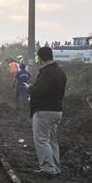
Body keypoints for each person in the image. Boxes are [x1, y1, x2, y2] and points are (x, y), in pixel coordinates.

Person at [28, 46, 67, 176]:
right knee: (52, 140)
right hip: (57, 110)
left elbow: (40, 91)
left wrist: (30, 89)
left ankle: (48, 169)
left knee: (42, 140)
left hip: (44, 111)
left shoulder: (46, 73)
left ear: (40, 58)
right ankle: (55, 167)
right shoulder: (60, 72)